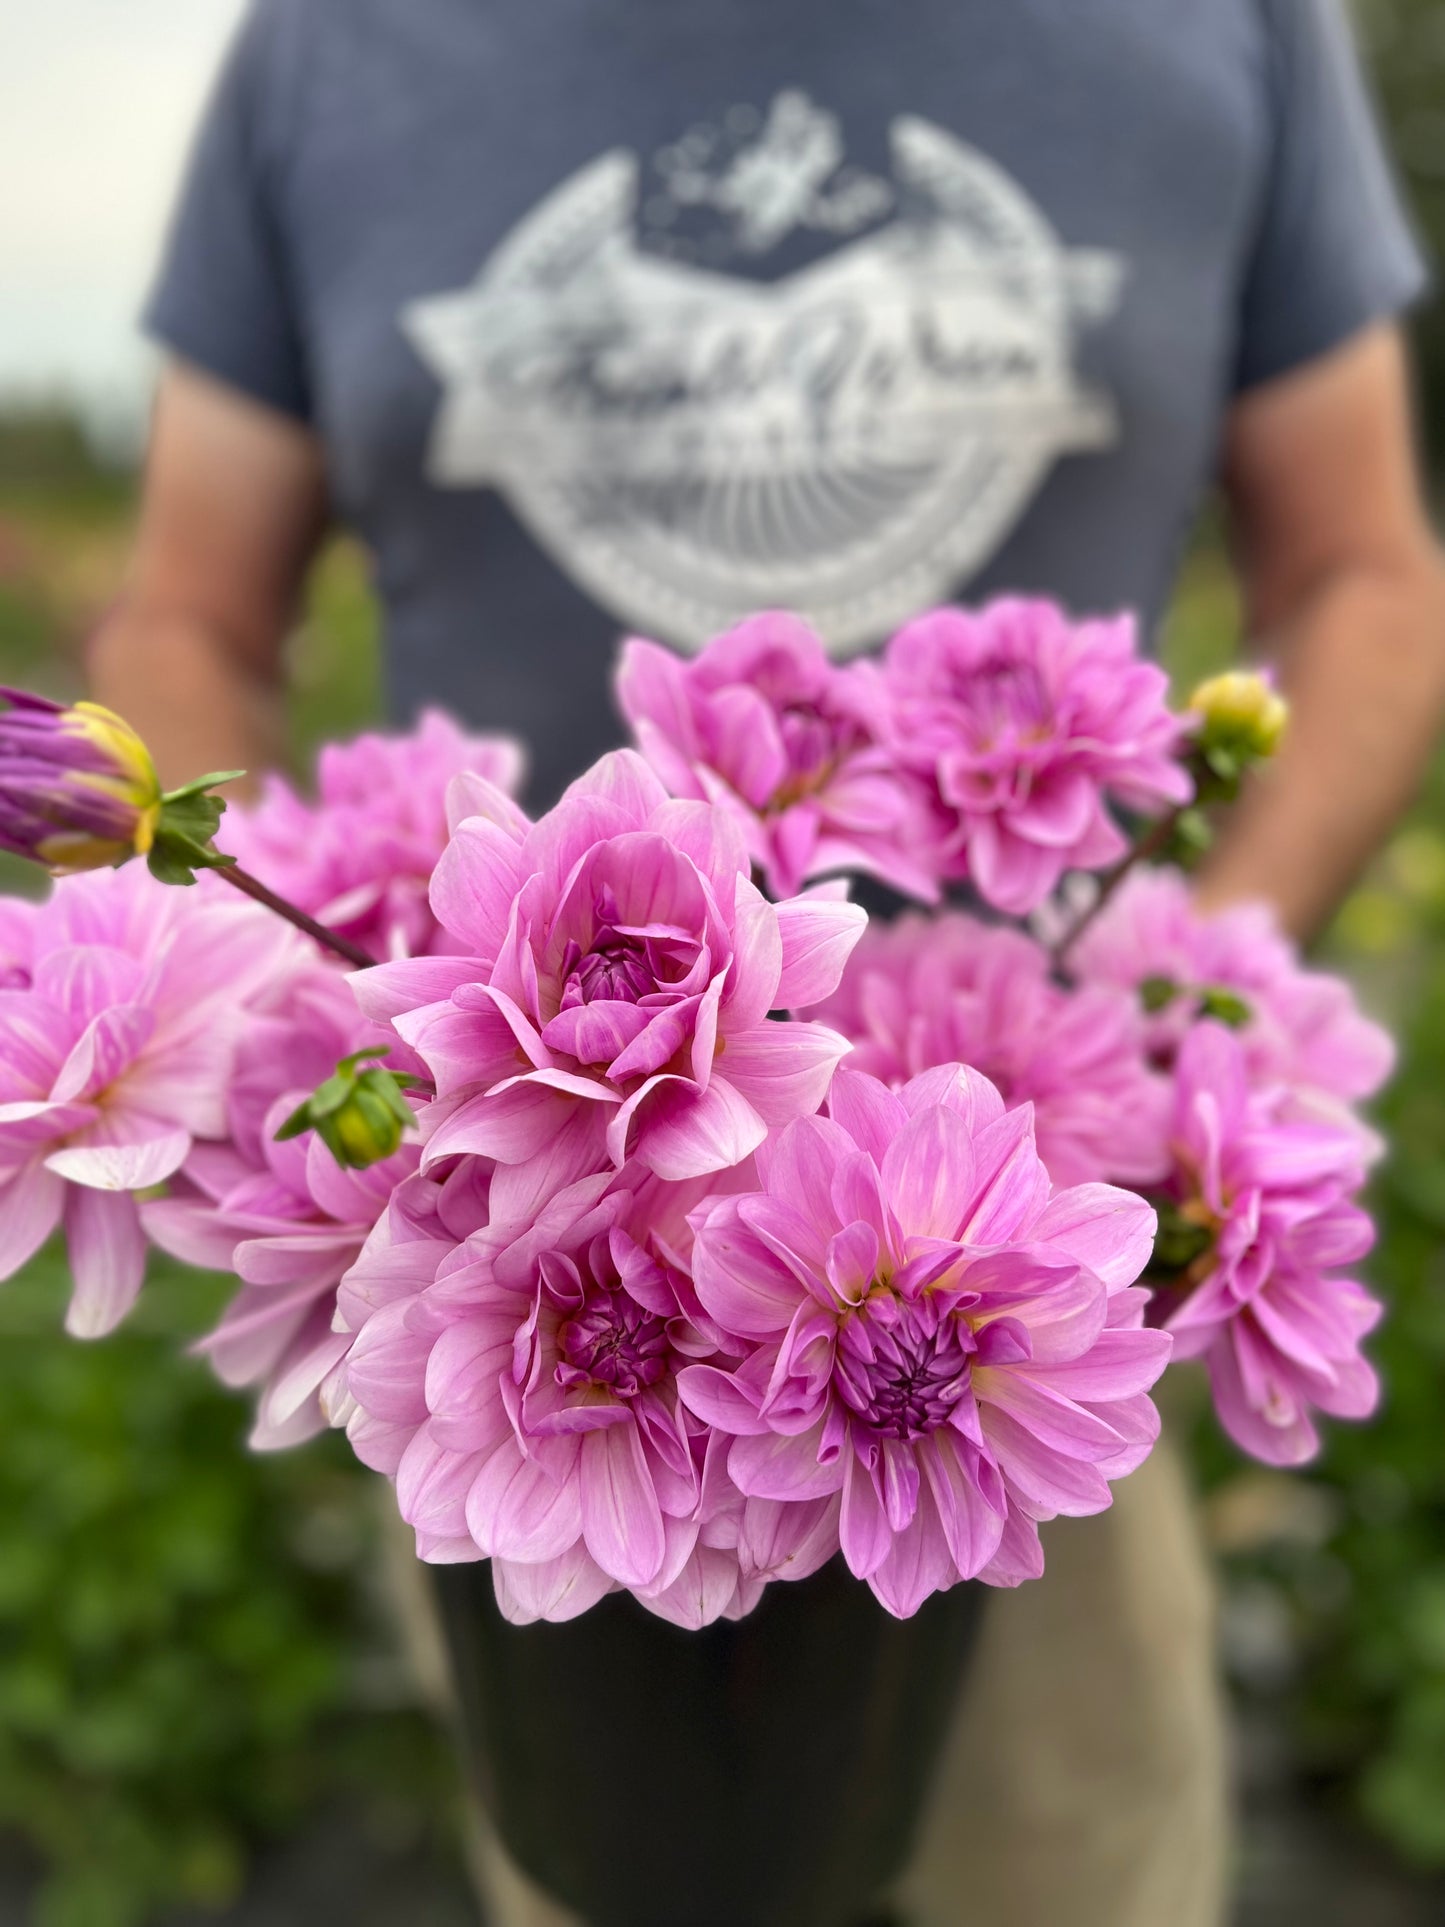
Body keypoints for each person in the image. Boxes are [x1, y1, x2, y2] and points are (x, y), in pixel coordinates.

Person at [93, 2, 1445, 1922]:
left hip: (1027, 1307)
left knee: (1071, 1864)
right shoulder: (330, 50)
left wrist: (1196, 961)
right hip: (502, 1263)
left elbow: (1365, 569)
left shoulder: (1226, 29)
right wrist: (244, 977)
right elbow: (192, 604)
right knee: (604, 1867)